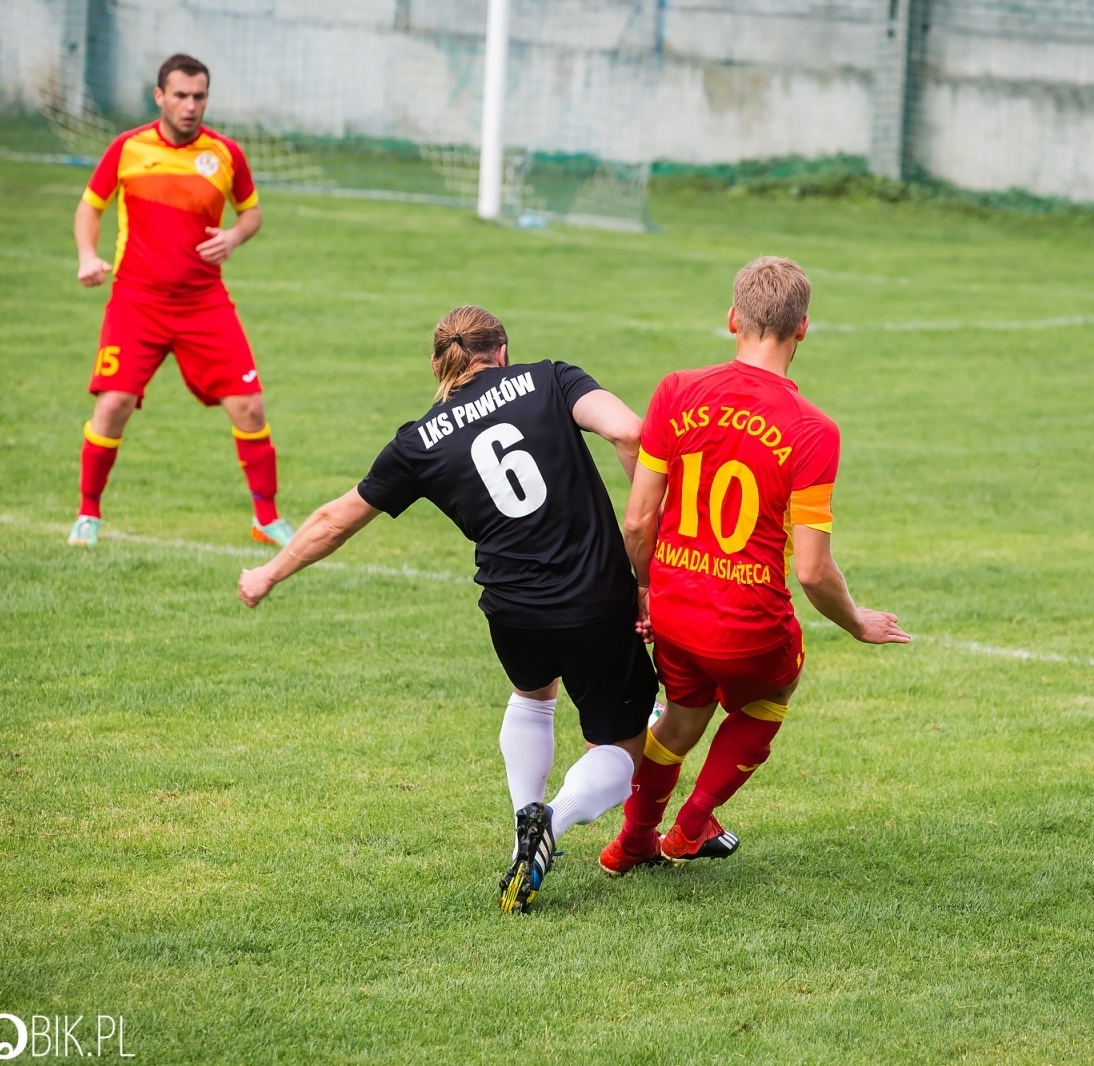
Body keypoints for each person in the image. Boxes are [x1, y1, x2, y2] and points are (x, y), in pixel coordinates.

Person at [237, 305, 657, 915]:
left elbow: (335, 520)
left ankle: (522, 824)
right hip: (595, 600)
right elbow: (631, 431)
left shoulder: (418, 441)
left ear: (438, 365)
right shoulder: (551, 379)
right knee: (624, 747)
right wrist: (644, 540)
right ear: (504, 352)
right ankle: (551, 824)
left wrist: (269, 572)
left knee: (533, 694)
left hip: (511, 610)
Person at [600, 256, 910, 875]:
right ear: (803, 330)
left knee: (684, 717)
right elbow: (814, 572)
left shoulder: (676, 391)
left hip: (676, 611)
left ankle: (631, 841)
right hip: (749, 623)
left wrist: (645, 591)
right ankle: (689, 828)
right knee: (776, 688)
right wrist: (859, 623)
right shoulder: (813, 430)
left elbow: (637, 522)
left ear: (733, 318)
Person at [67, 53, 291, 549]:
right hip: (136, 301)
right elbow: (90, 206)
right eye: (181, 96)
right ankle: (87, 516)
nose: (191, 106)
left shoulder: (226, 153)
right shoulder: (127, 148)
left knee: (250, 408)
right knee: (113, 405)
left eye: (199, 96)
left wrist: (233, 237)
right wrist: (87, 255)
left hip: (204, 303)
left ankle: (267, 520)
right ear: (159, 97)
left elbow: (251, 214)